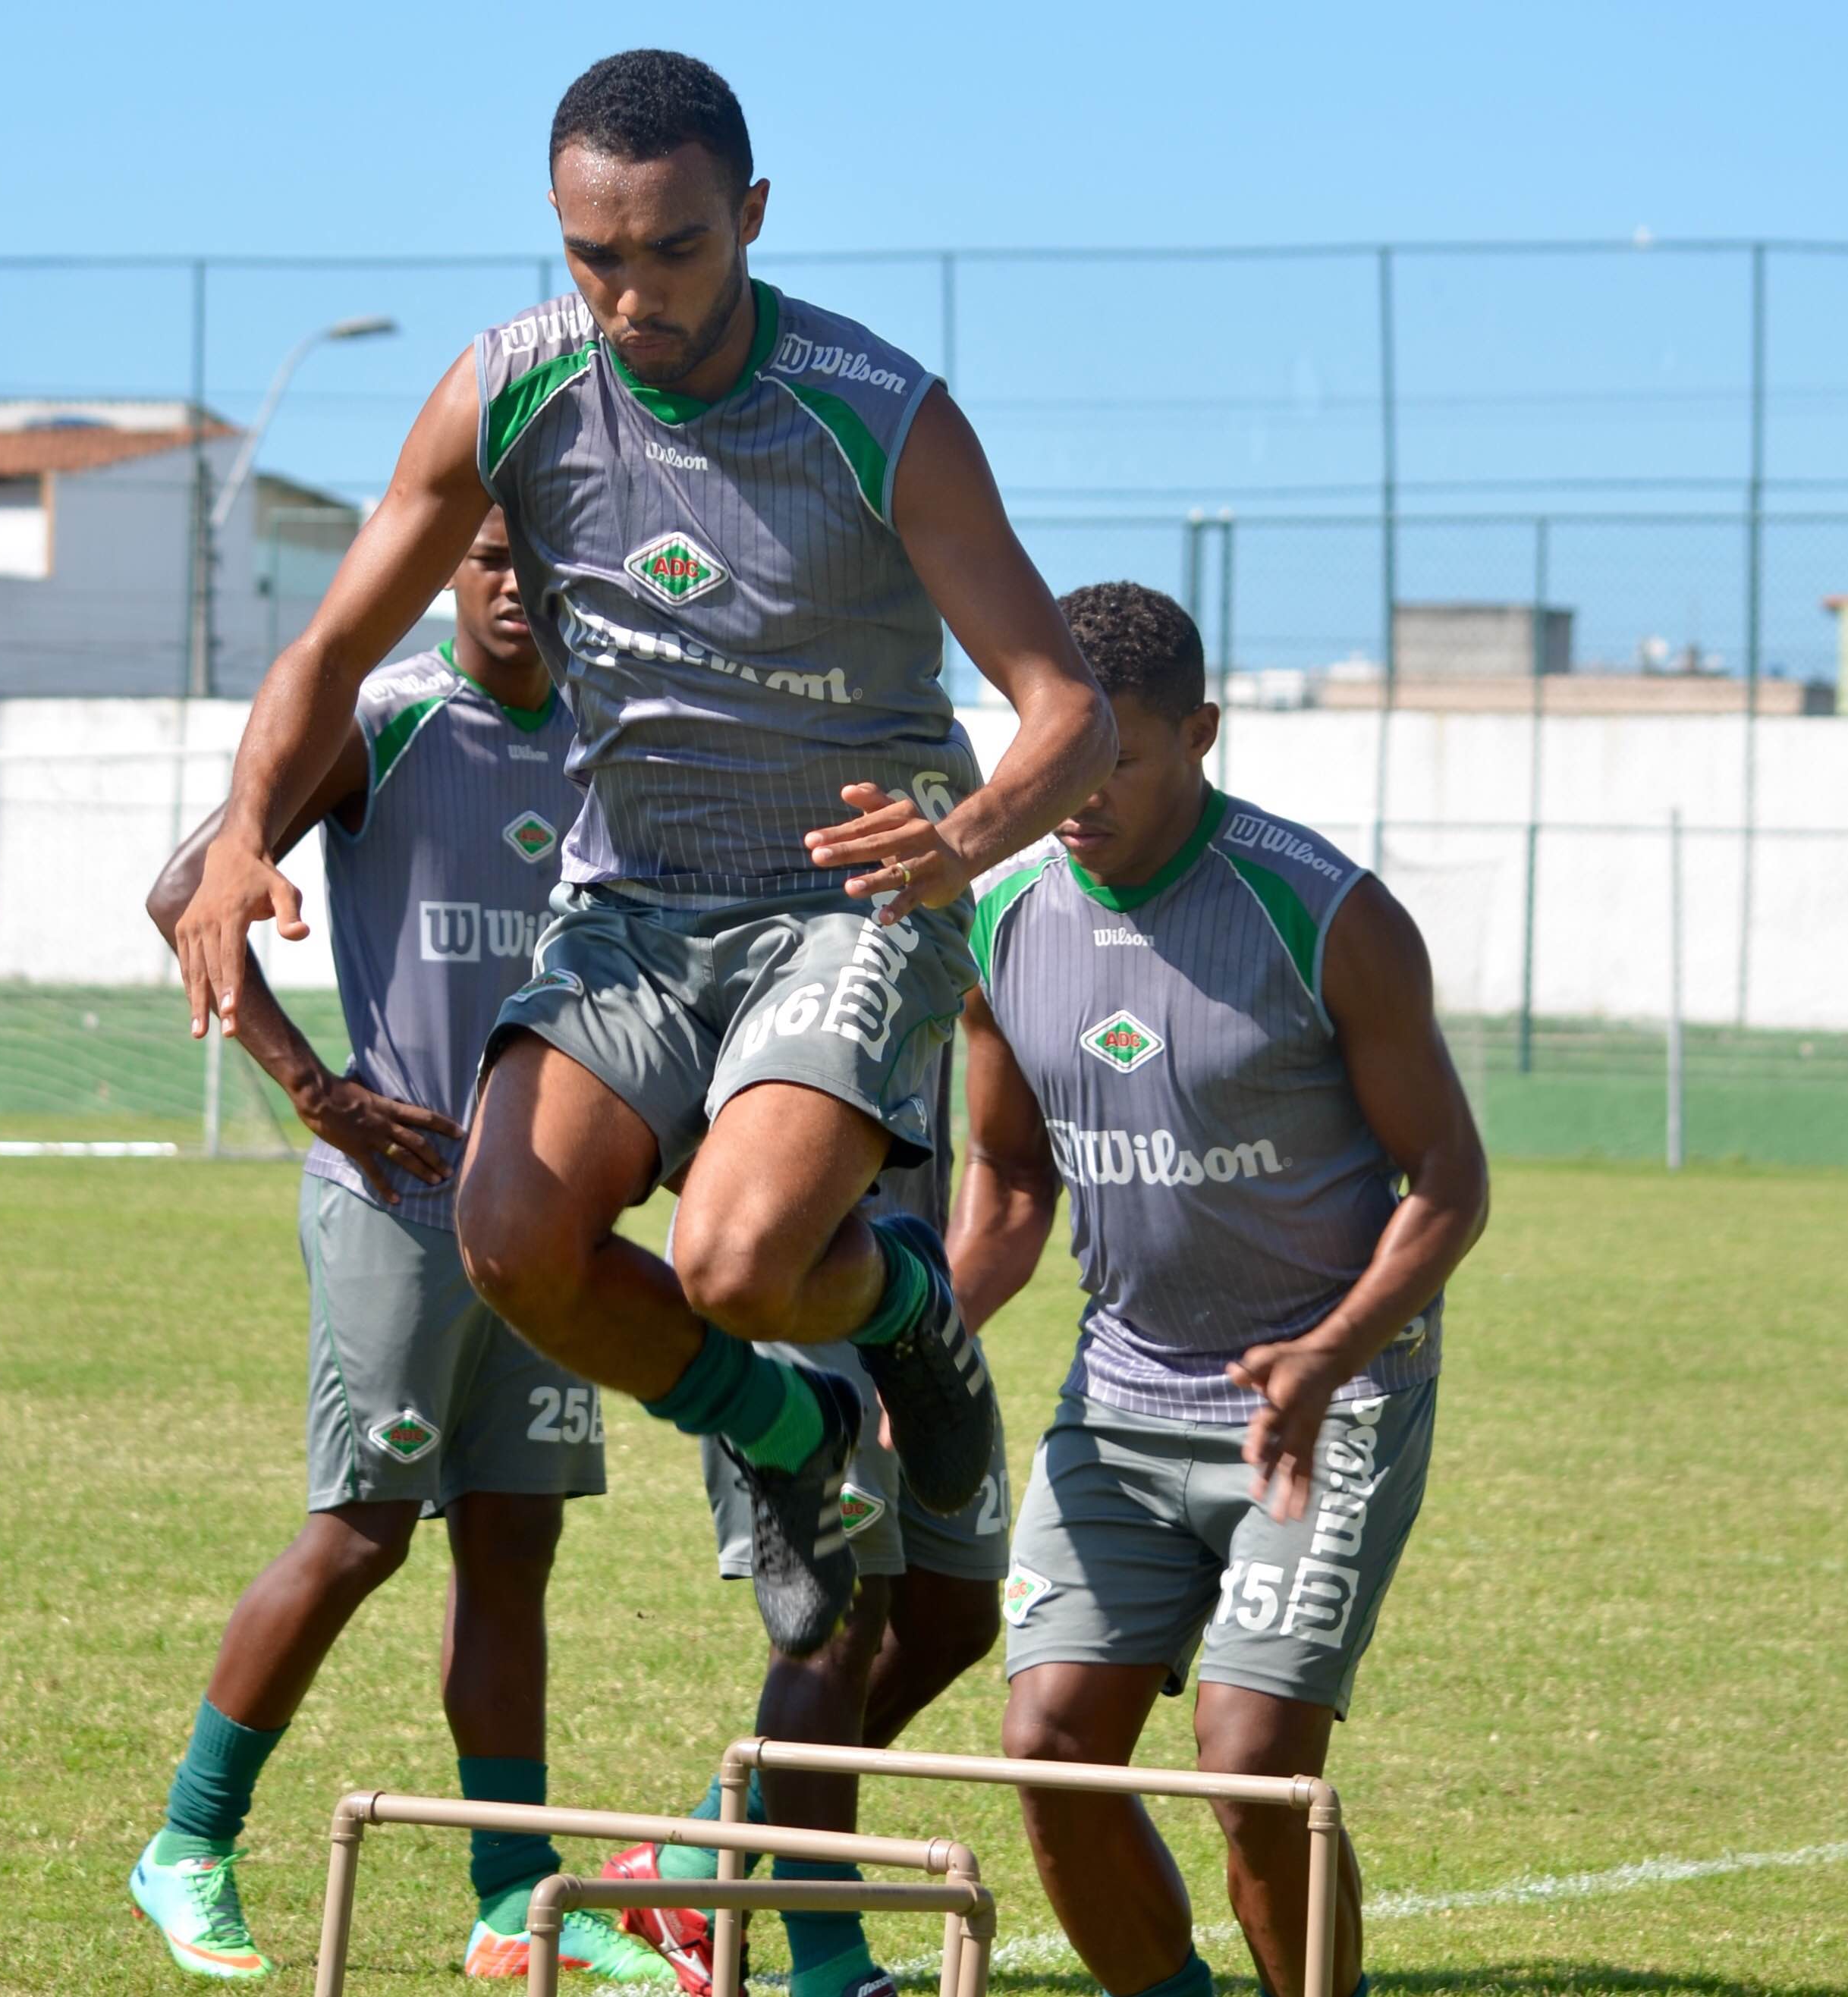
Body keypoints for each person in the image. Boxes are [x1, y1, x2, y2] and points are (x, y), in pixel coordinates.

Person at [171, 49, 1115, 1674]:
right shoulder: (512, 384)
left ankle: (910, 1319)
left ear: (749, 217)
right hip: (634, 905)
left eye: (672, 250)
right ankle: (790, 1438)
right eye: (593, 256)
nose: (630, 297)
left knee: (737, 1258)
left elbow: (1070, 710)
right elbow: (331, 642)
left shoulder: (879, 411)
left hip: (850, 893)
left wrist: (956, 840)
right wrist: (241, 836)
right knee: (509, 1235)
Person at [130, 513, 665, 1985]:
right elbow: (188, 894)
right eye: (483, 551)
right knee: (363, 1527)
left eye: (537, 553)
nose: (510, 578)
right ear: (442, 568)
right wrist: (320, 1093)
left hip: (552, 1221)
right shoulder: (383, 720)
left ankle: (510, 1895)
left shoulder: (618, 735)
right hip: (401, 1204)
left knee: (513, 1541)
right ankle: (188, 1841)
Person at [951, 582, 1489, 1997]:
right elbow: (1010, 1184)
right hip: (1119, 1402)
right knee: (1047, 1747)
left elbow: (1448, 1179)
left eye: (1116, 755)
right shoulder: (1000, 911)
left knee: (1253, 1763)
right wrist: (922, 1349)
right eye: (1054, 746)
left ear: (1200, 730)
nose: (1076, 788)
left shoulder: (1329, 913)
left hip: (1325, 1404)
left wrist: (1327, 1351)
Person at [605, 1057, 1009, 1997]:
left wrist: (925, 1348)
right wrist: (766, 1203)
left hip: (910, 1295)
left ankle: (696, 1866)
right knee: (836, 1620)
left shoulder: (971, 919)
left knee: (954, 1618)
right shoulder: (754, 909)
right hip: (787, 1273)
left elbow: (1003, 1154)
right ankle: (827, 1964)